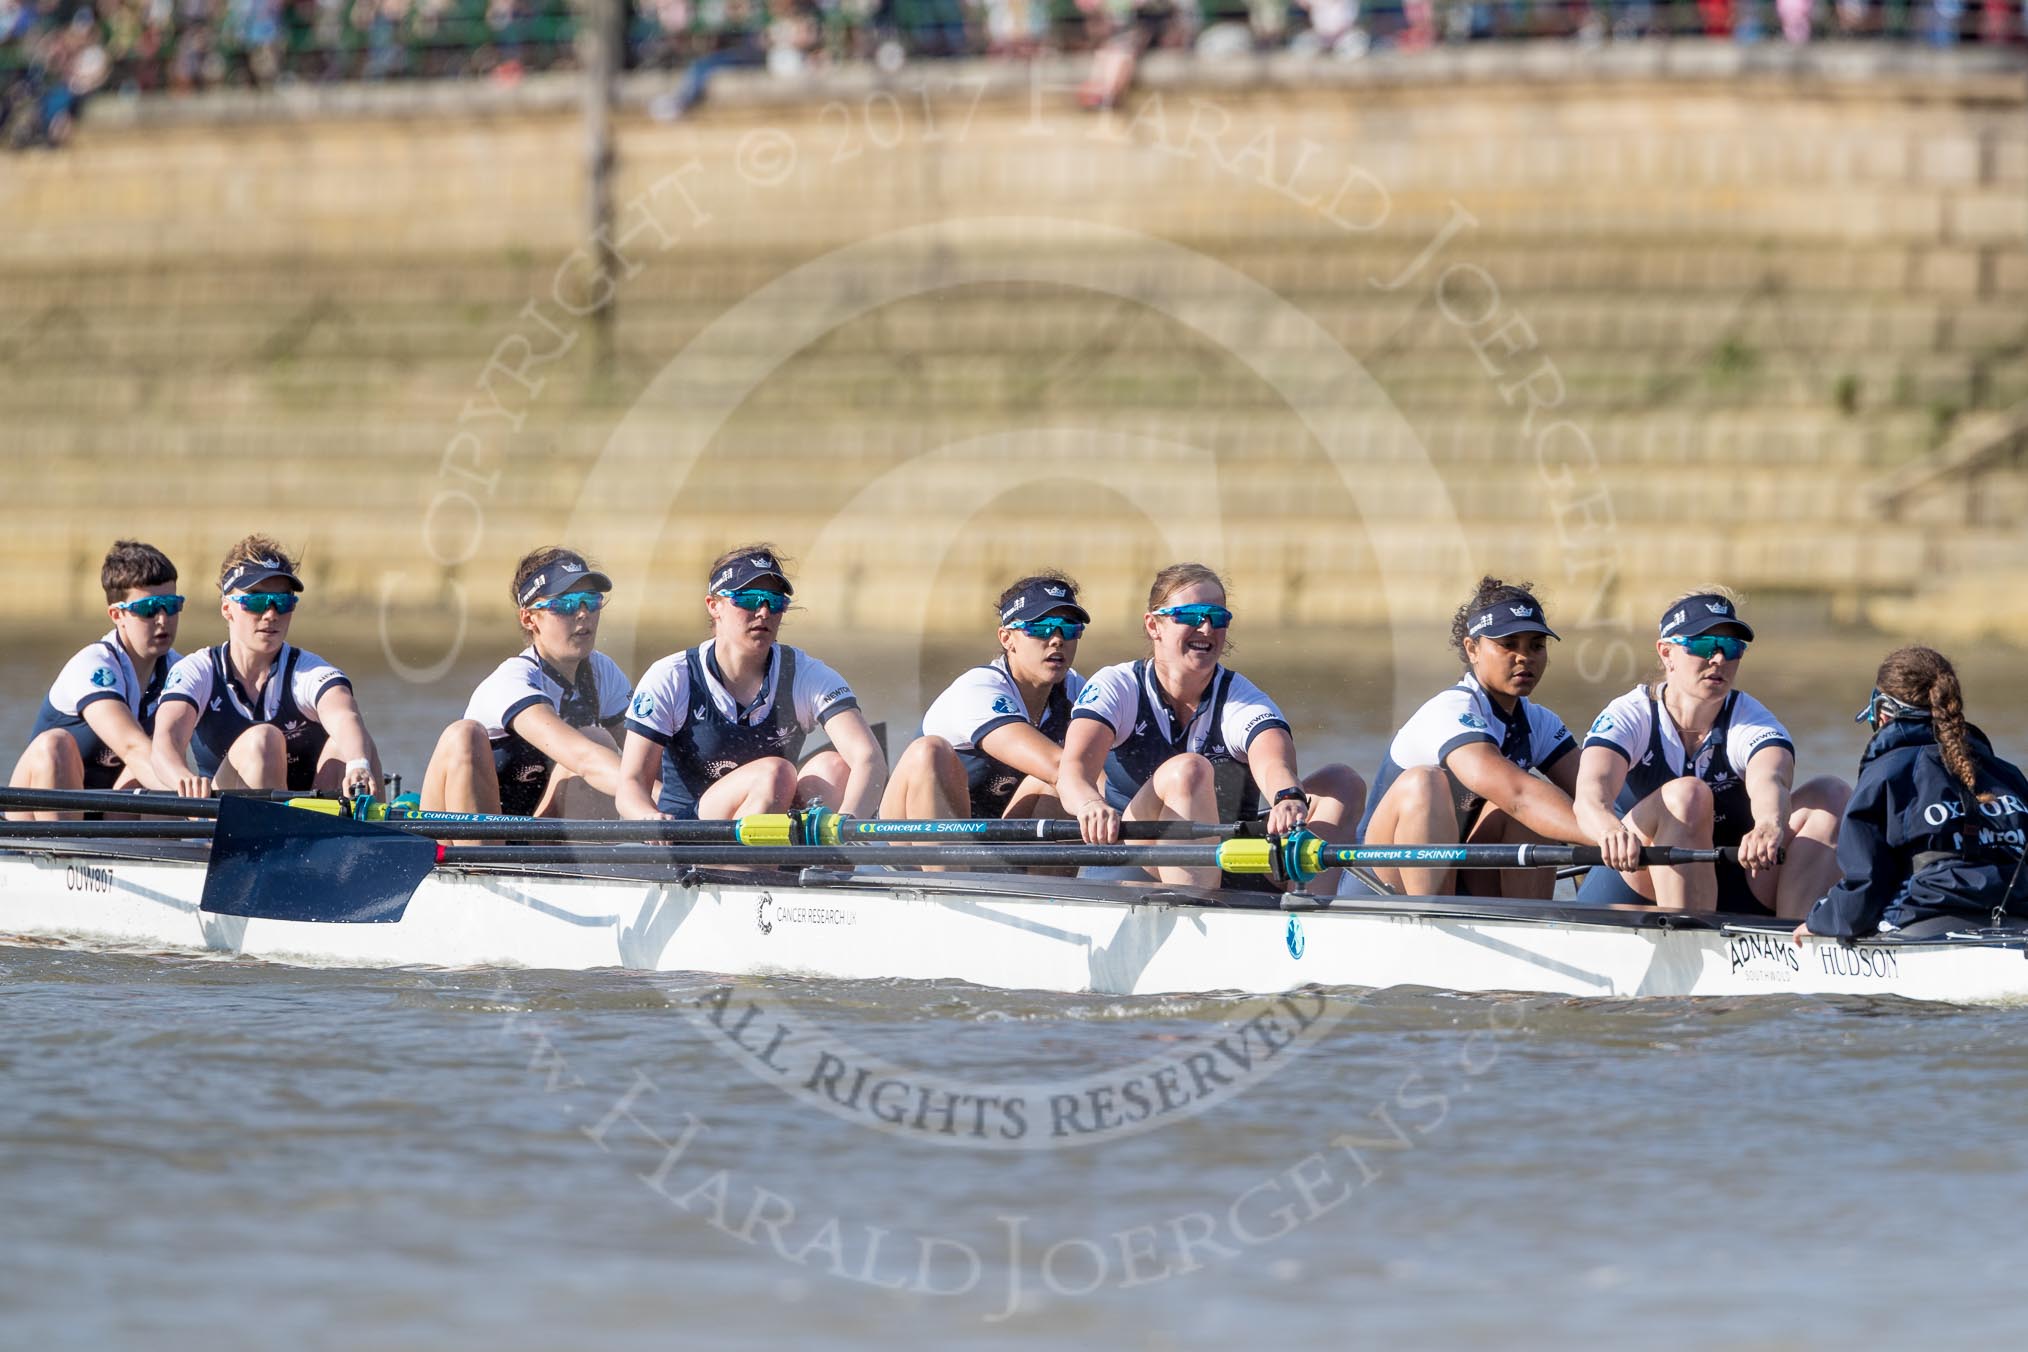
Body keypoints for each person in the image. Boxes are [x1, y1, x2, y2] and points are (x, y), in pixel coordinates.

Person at [1056, 563, 1366, 892]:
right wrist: (1090, 806)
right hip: (1132, 854)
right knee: (1188, 771)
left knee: (1341, 782)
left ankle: (1310, 917)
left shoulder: (1242, 699)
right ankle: (1196, 904)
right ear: (1154, 625)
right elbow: (1072, 773)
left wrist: (1287, 797)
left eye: (1217, 618)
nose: (1206, 628)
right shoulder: (1117, 686)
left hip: (1228, 852)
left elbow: (1273, 760)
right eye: (1190, 616)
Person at [1573, 588, 1846, 916]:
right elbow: (1590, 796)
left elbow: (1770, 779)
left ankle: (1798, 944)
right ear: (1666, 652)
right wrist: (1609, 830)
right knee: (1688, 795)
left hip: (1731, 884)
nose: (1719, 659)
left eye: (1731, 648)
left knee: (1831, 795)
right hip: (1634, 881)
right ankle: (1688, 940)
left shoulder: (1752, 720)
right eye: (1703, 645)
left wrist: (1769, 823)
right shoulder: (1629, 715)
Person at [617, 544, 887, 821]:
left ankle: (823, 859)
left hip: (770, 814)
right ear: (714, 606)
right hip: (691, 829)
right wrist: (646, 817)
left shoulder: (808, 675)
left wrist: (849, 821)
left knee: (835, 767)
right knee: (776, 773)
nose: (764, 611)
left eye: (775, 601)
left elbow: (870, 759)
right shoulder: (671, 676)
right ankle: (749, 863)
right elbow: (631, 784)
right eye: (748, 599)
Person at [1357, 578, 1587, 898]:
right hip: (1376, 880)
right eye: (1508, 644)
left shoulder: (1539, 722)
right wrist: (1609, 835)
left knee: (1543, 813)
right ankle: (1433, 924)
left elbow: (1597, 796)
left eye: (1536, 645)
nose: (1524, 657)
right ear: (1473, 649)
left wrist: (1636, 829)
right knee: (1427, 782)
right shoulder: (1450, 709)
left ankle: (1530, 929)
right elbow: (1519, 794)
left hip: (1458, 872)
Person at [1797, 647, 2028, 942]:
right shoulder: (2008, 774)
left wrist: (1820, 921)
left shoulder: (1884, 775)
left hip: (1920, 922)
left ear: (1882, 711)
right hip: (2017, 920)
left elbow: (1865, 887)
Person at [150, 536, 381, 798]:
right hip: (220, 819)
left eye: (282, 602)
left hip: (305, 819)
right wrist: (183, 778)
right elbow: (166, 741)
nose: (271, 614)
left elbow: (343, 715)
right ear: (227, 608)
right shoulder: (197, 670)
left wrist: (358, 764)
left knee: (354, 744)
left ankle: (364, 832)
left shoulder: (309, 671)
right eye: (257, 602)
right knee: (264, 740)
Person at [419, 547, 631, 817]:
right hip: (474, 839)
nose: (582, 614)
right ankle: (483, 859)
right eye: (564, 604)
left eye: (589, 601)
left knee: (598, 739)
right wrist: (659, 798)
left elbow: (651, 759)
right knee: (463, 734)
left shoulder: (603, 672)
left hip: (537, 838)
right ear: (529, 618)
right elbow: (585, 759)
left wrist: (689, 800)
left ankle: (584, 859)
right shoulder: (512, 680)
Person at [881, 572, 1088, 822]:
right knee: (928, 750)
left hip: (997, 840)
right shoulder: (978, 689)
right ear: (1007, 638)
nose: (1056, 640)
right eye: (1040, 628)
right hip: (915, 845)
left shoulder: (1075, 689)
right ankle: (939, 862)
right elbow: (1056, 766)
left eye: (1069, 628)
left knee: (1064, 780)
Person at [8, 541, 185, 819]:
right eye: (149, 608)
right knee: (57, 743)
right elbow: (130, 747)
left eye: (172, 605)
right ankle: (62, 850)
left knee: (162, 755)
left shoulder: (179, 668)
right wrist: (194, 804)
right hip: (39, 817)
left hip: (107, 814)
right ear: (117, 615)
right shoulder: (93, 665)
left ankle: (146, 854)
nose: (163, 619)